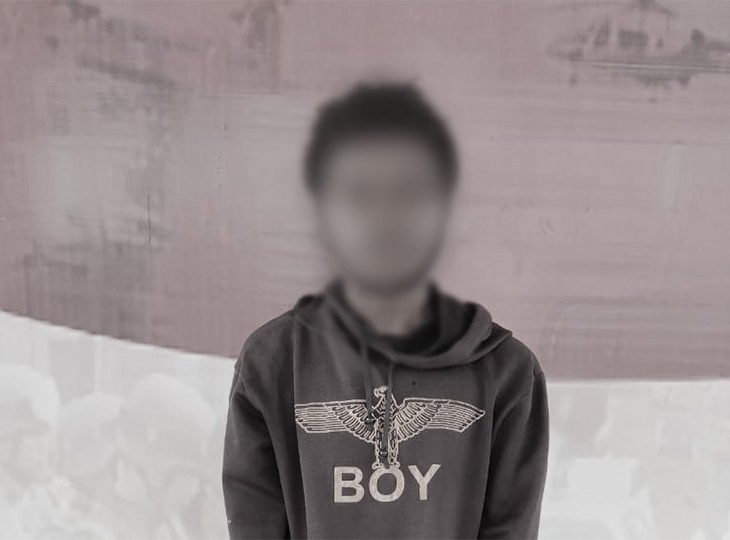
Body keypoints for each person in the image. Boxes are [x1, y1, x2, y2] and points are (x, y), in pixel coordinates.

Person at [222, 82, 550, 539]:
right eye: (359, 194)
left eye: (407, 192)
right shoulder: (272, 363)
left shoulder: (508, 375)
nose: (384, 218)